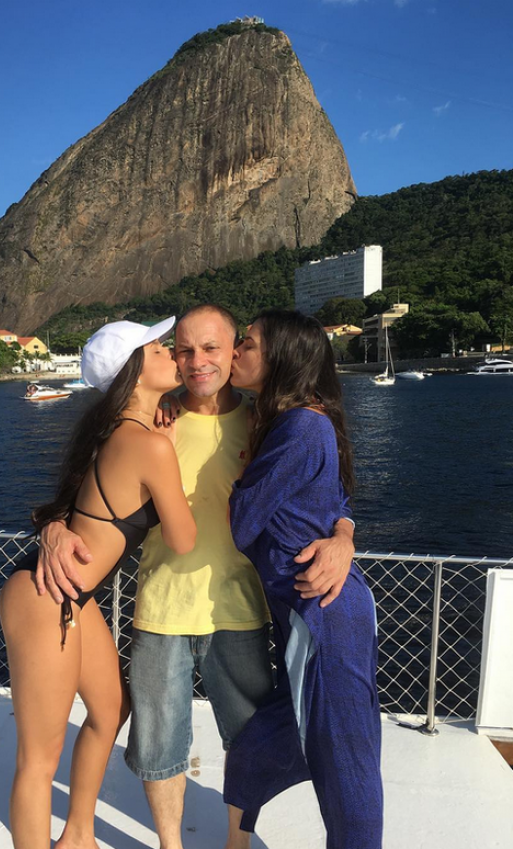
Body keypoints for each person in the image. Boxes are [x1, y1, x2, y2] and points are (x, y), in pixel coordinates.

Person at [37, 304, 356, 849]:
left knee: (248, 741)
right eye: (183, 349)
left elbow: (332, 489)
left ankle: (236, 843)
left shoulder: (268, 422)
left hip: (241, 609)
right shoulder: (148, 421)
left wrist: (344, 536)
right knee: (158, 748)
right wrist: (52, 528)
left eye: (211, 348)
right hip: (161, 608)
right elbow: (80, 490)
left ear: (236, 351)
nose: (196, 361)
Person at [0, 316, 196, 849]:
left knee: (111, 712)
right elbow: (182, 539)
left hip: (70, 593)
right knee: (38, 759)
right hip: (46, 596)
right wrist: (171, 457)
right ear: (135, 370)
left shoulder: (116, 434)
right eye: (158, 348)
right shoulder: (149, 445)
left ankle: (79, 836)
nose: (171, 354)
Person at [223, 309, 383, 849]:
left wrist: (240, 472)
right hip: (310, 615)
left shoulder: (300, 426)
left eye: (247, 343)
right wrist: (344, 531)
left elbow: (243, 523)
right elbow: (339, 500)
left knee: (348, 771)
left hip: (322, 619)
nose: (237, 352)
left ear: (281, 358)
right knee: (256, 749)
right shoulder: (296, 420)